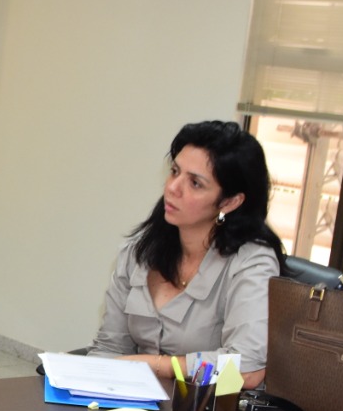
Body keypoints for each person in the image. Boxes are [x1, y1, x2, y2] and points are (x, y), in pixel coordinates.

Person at [87, 120, 285, 390]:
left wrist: (156, 365)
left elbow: (245, 368)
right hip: (132, 409)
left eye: (195, 183)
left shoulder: (251, 261)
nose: (172, 188)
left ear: (230, 202)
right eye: (174, 171)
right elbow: (110, 349)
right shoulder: (139, 250)